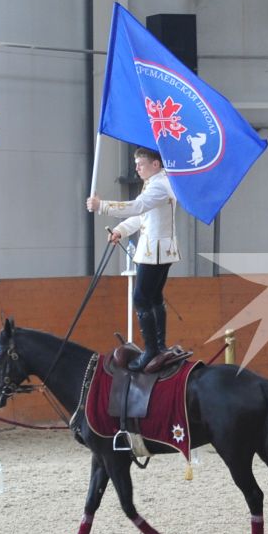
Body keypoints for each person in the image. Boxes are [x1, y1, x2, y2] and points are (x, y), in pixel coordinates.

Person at [87, 147, 181, 370]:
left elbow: (137, 206)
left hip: (154, 252)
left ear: (155, 164)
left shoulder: (158, 185)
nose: (137, 168)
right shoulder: (156, 183)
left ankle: (151, 350)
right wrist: (121, 229)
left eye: (141, 163)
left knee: (141, 298)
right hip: (159, 250)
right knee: (154, 296)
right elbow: (142, 217)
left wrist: (102, 206)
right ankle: (158, 345)